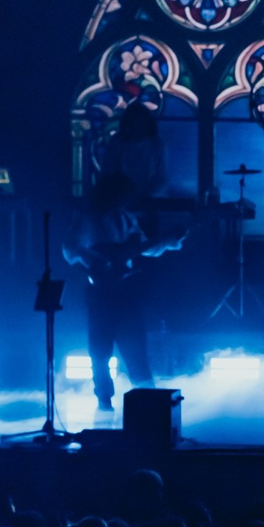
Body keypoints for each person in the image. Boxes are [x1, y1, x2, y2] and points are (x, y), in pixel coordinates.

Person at [63, 170, 185, 410]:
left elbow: (144, 248)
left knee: (135, 347)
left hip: (125, 292)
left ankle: (149, 403)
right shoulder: (89, 219)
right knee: (100, 349)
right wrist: (96, 260)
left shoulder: (127, 218)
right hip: (101, 293)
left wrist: (171, 241)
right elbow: (70, 248)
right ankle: (104, 401)